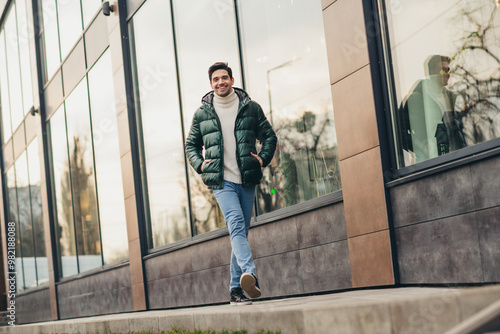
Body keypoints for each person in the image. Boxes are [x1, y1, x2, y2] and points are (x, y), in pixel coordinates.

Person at [185, 62, 277, 306]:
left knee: (241, 233)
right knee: (236, 224)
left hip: (246, 179)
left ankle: (236, 288)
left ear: (232, 80)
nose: (220, 82)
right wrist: (200, 164)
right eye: (216, 79)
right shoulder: (202, 113)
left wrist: (262, 158)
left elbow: (269, 136)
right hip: (221, 181)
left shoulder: (250, 108)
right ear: (211, 84)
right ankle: (251, 273)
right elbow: (191, 145)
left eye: (224, 78)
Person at [398, 55, 466, 164]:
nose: (447, 74)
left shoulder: (450, 97)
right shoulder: (417, 98)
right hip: (428, 162)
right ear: (431, 72)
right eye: (443, 70)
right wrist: (421, 147)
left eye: (448, 70)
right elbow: (399, 131)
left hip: (455, 159)